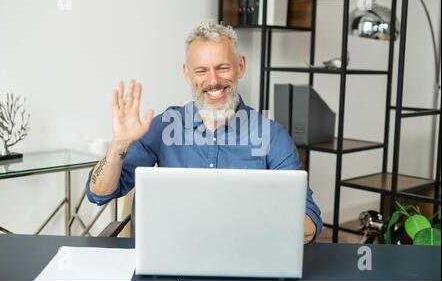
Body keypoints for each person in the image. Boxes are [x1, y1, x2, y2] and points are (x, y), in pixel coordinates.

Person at [85, 20, 322, 244]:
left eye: (222, 68)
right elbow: (99, 193)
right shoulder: (163, 126)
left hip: (246, 256)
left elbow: (309, 218)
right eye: (201, 71)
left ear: (240, 67)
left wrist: (257, 222)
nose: (213, 81)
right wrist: (119, 145)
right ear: (187, 73)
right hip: (172, 255)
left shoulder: (271, 135)